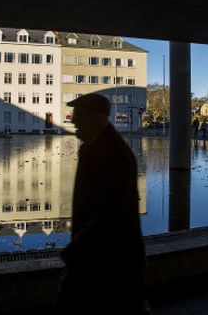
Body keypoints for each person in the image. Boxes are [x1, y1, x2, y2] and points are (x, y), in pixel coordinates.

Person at [55, 93, 149, 315]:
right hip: (102, 257)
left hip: (111, 262)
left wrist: (75, 251)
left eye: (78, 116)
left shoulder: (115, 155)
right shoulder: (94, 147)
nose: (72, 120)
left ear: (95, 118)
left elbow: (110, 215)